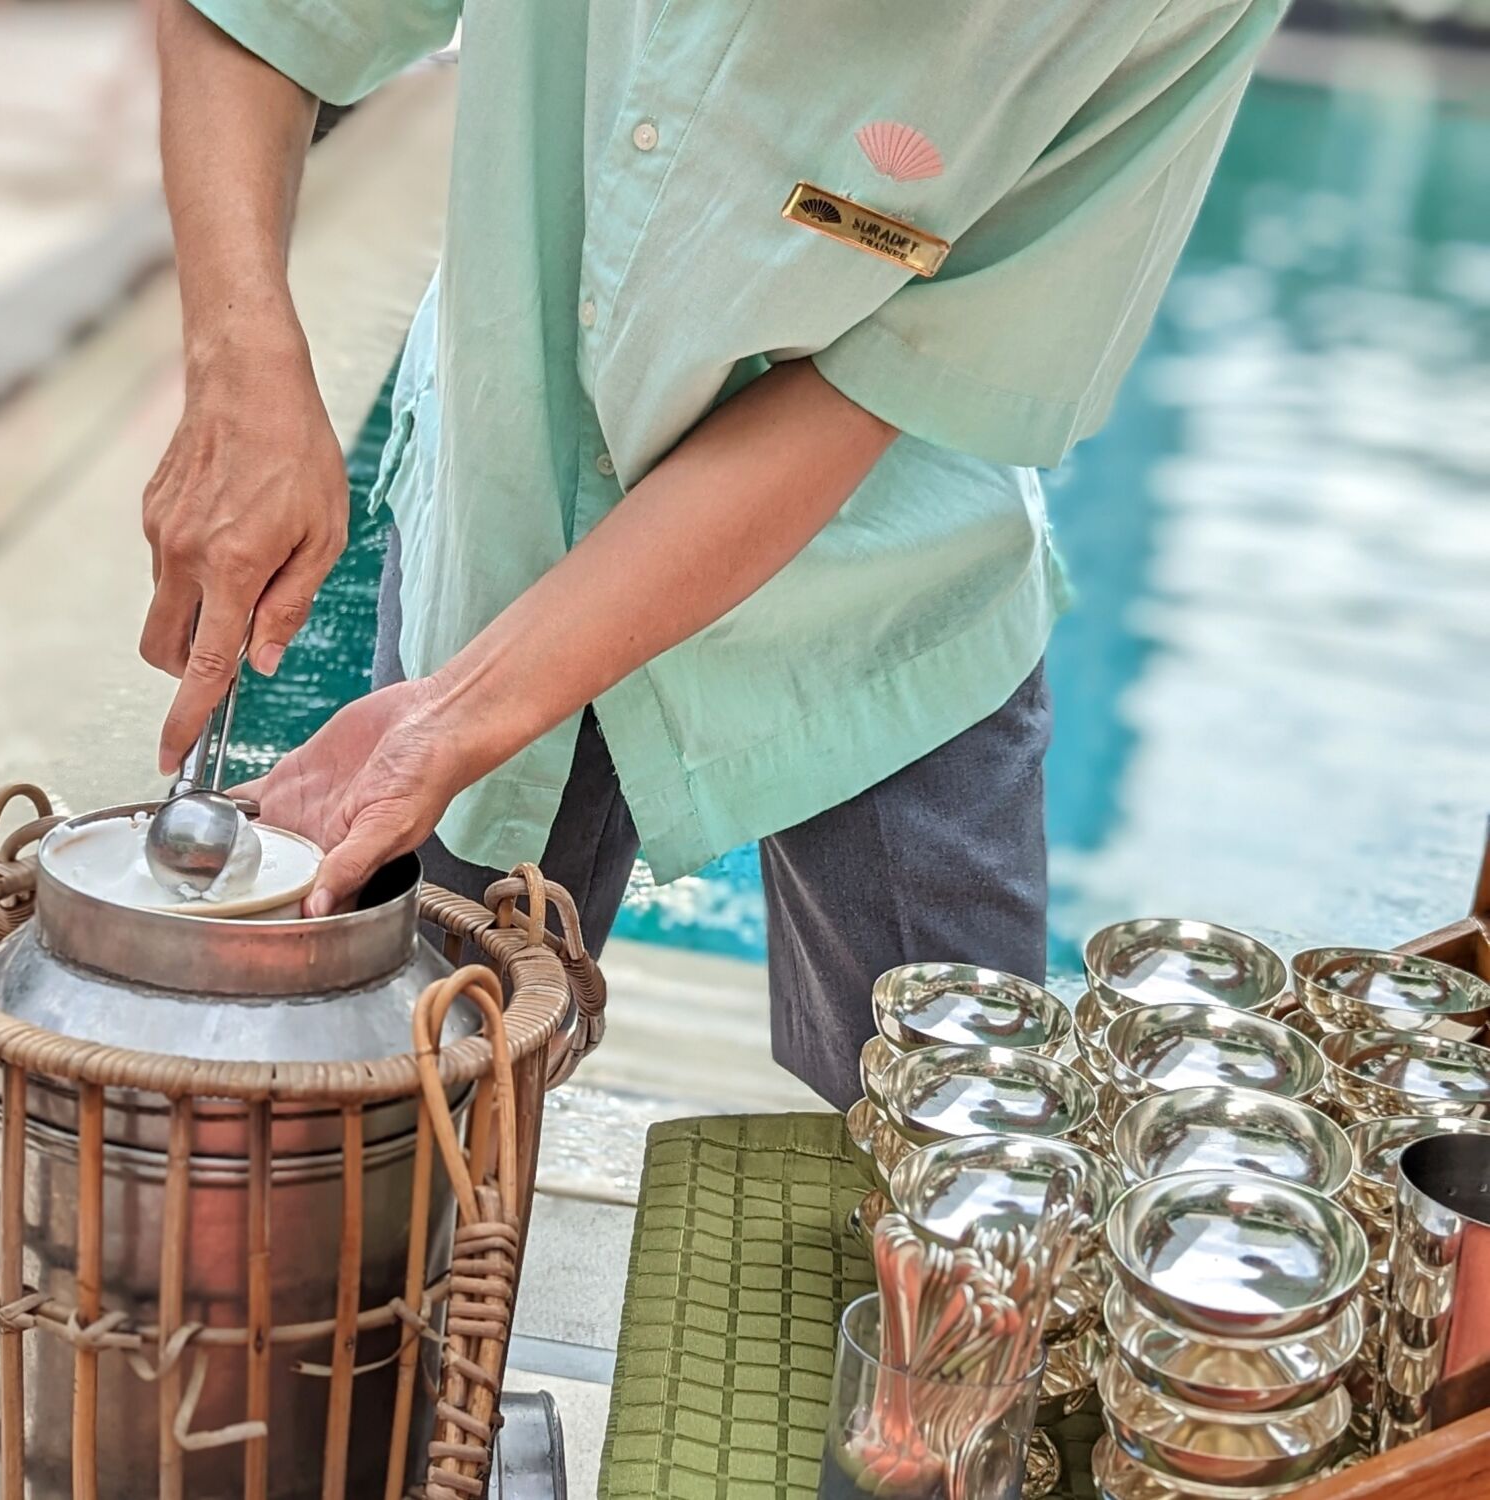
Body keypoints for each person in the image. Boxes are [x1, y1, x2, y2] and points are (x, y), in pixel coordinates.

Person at [142, 0, 1285, 1108]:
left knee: (959, 1131)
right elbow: (261, 19)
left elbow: (872, 392)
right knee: (405, 1114)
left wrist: (455, 715)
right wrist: (242, 364)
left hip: (880, 583)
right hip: (508, 487)